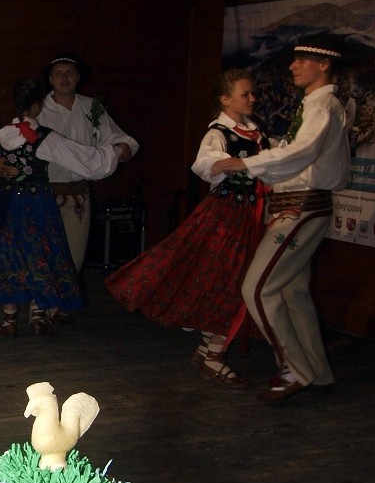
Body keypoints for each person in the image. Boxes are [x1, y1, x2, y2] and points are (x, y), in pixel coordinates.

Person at [106, 69, 268, 387]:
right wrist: (232, 165)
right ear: (225, 99)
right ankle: (212, 355)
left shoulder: (253, 130)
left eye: (252, 93)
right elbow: (205, 163)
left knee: (230, 280)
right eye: (244, 94)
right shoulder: (219, 132)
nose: (252, 98)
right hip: (226, 215)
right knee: (225, 281)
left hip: (247, 215)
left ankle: (209, 351)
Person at [213, 35, 350, 402]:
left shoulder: (322, 108)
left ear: (323, 65)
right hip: (298, 205)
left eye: (302, 59)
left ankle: (295, 368)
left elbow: (304, 152)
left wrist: (246, 162)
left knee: (257, 289)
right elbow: (295, 151)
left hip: (301, 207)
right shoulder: (315, 106)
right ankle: (317, 371)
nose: (293, 66)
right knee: (292, 291)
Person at [0, 77, 121, 335]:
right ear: (36, 108)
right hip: (37, 203)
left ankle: (9, 320)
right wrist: (114, 154)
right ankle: (37, 315)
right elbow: (84, 159)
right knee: (40, 254)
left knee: (10, 255)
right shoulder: (45, 139)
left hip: (7, 203)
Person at [38, 53, 138, 280]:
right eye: (59, 74)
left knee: (74, 256)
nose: (64, 78)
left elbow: (117, 138)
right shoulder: (40, 109)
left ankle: (60, 310)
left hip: (78, 196)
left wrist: (123, 148)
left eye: (70, 73)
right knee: (44, 253)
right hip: (45, 192)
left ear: (78, 77)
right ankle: (41, 311)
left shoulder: (91, 107)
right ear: (51, 79)